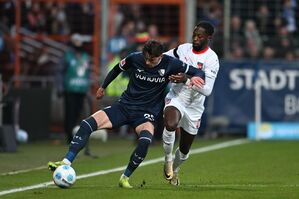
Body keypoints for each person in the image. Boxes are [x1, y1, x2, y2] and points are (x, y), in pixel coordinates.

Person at [48, 39, 205, 188]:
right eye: (146, 59)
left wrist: (191, 78)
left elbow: (198, 72)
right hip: (124, 106)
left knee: (144, 141)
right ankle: (65, 162)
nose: (148, 63)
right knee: (86, 124)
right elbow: (117, 68)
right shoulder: (135, 59)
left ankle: (125, 178)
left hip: (146, 113)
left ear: (161, 56)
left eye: (152, 60)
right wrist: (103, 86)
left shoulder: (171, 63)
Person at [162, 21, 220, 186]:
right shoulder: (183, 49)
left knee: (185, 151)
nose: (195, 39)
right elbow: (165, 57)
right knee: (171, 124)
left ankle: (176, 168)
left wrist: (186, 79)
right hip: (177, 97)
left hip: (195, 106)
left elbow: (207, 90)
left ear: (208, 38)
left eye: (199, 36)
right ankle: (167, 160)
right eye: (194, 35)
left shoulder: (212, 59)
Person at [57, 33, 92, 143]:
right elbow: (59, 72)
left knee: (78, 113)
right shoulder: (67, 56)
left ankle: (76, 135)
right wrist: (59, 87)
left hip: (81, 90)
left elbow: (88, 73)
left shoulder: (85, 56)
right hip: (70, 89)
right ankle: (69, 136)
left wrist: (88, 87)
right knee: (70, 113)